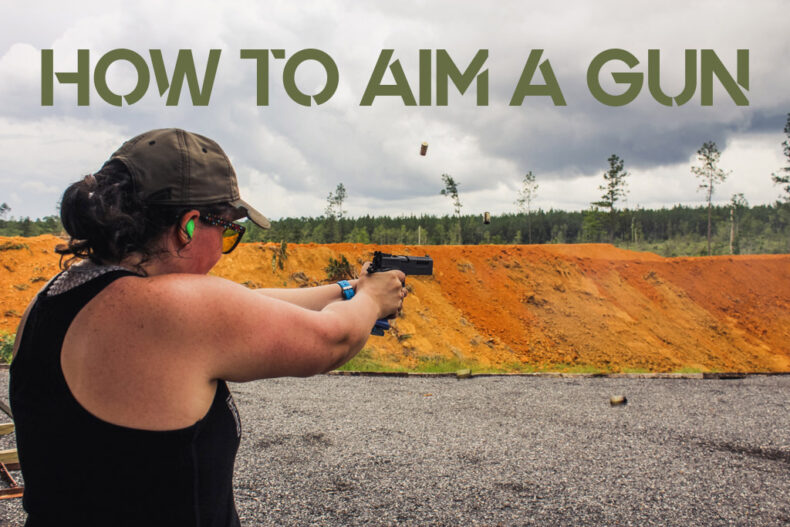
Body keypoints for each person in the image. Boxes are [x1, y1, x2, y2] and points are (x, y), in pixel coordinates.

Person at [9, 128, 406, 526]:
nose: (223, 248)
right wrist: (373, 301)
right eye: (228, 229)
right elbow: (332, 339)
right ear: (190, 225)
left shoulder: (54, 298)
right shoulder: (175, 310)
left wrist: (347, 290)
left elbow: (250, 303)